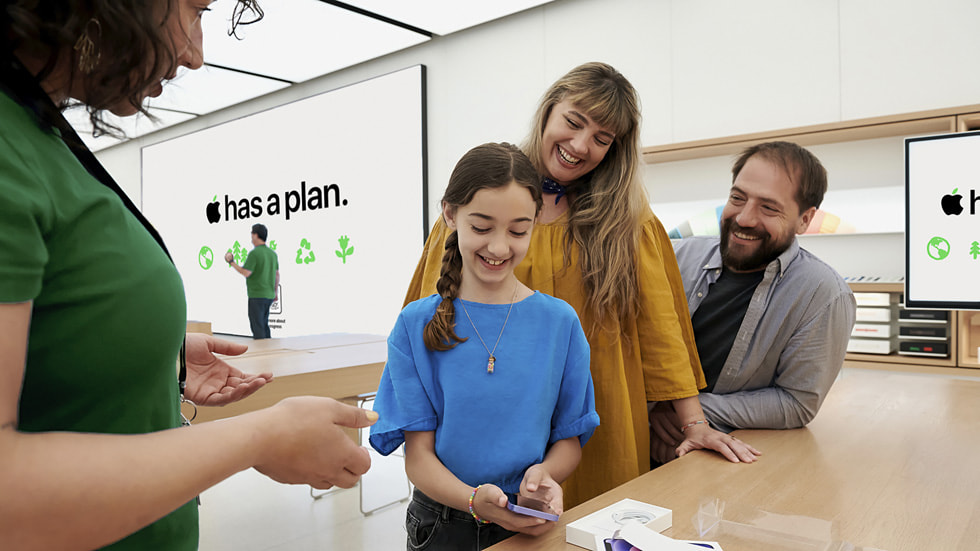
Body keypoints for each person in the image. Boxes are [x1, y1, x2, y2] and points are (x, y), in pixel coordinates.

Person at [0, 2, 378, 549]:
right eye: (195, 9)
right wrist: (258, 436)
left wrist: (150, 355)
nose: (196, 54)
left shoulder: (35, 130)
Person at [403, 62, 759, 509]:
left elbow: (660, 328)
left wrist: (694, 425)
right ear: (549, 110)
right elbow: (430, 316)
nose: (579, 145)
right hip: (492, 410)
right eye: (573, 122)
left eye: (601, 138)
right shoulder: (483, 198)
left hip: (598, 409)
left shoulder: (628, 221)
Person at [370, 142, 600, 550]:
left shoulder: (559, 322)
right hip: (440, 524)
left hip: (527, 522)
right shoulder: (414, 325)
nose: (498, 248)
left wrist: (543, 476)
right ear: (450, 214)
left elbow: (569, 438)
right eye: (481, 228)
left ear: (537, 221)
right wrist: (474, 500)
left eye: (517, 230)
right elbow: (418, 457)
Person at [650, 141, 857, 463]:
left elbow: (797, 403)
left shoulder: (823, 294)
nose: (744, 218)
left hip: (709, 456)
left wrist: (686, 410)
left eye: (769, 208)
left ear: (805, 219)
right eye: (737, 198)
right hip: (631, 440)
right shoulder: (675, 257)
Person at [225, 223, 280, 339]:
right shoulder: (273, 254)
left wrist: (231, 262)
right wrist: (275, 292)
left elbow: (246, 272)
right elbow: (277, 274)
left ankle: (261, 354)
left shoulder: (255, 253)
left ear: (255, 235)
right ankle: (270, 352)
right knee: (264, 325)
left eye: (252, 234)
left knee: (258, 327)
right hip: (269, 295)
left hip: (257, 295)